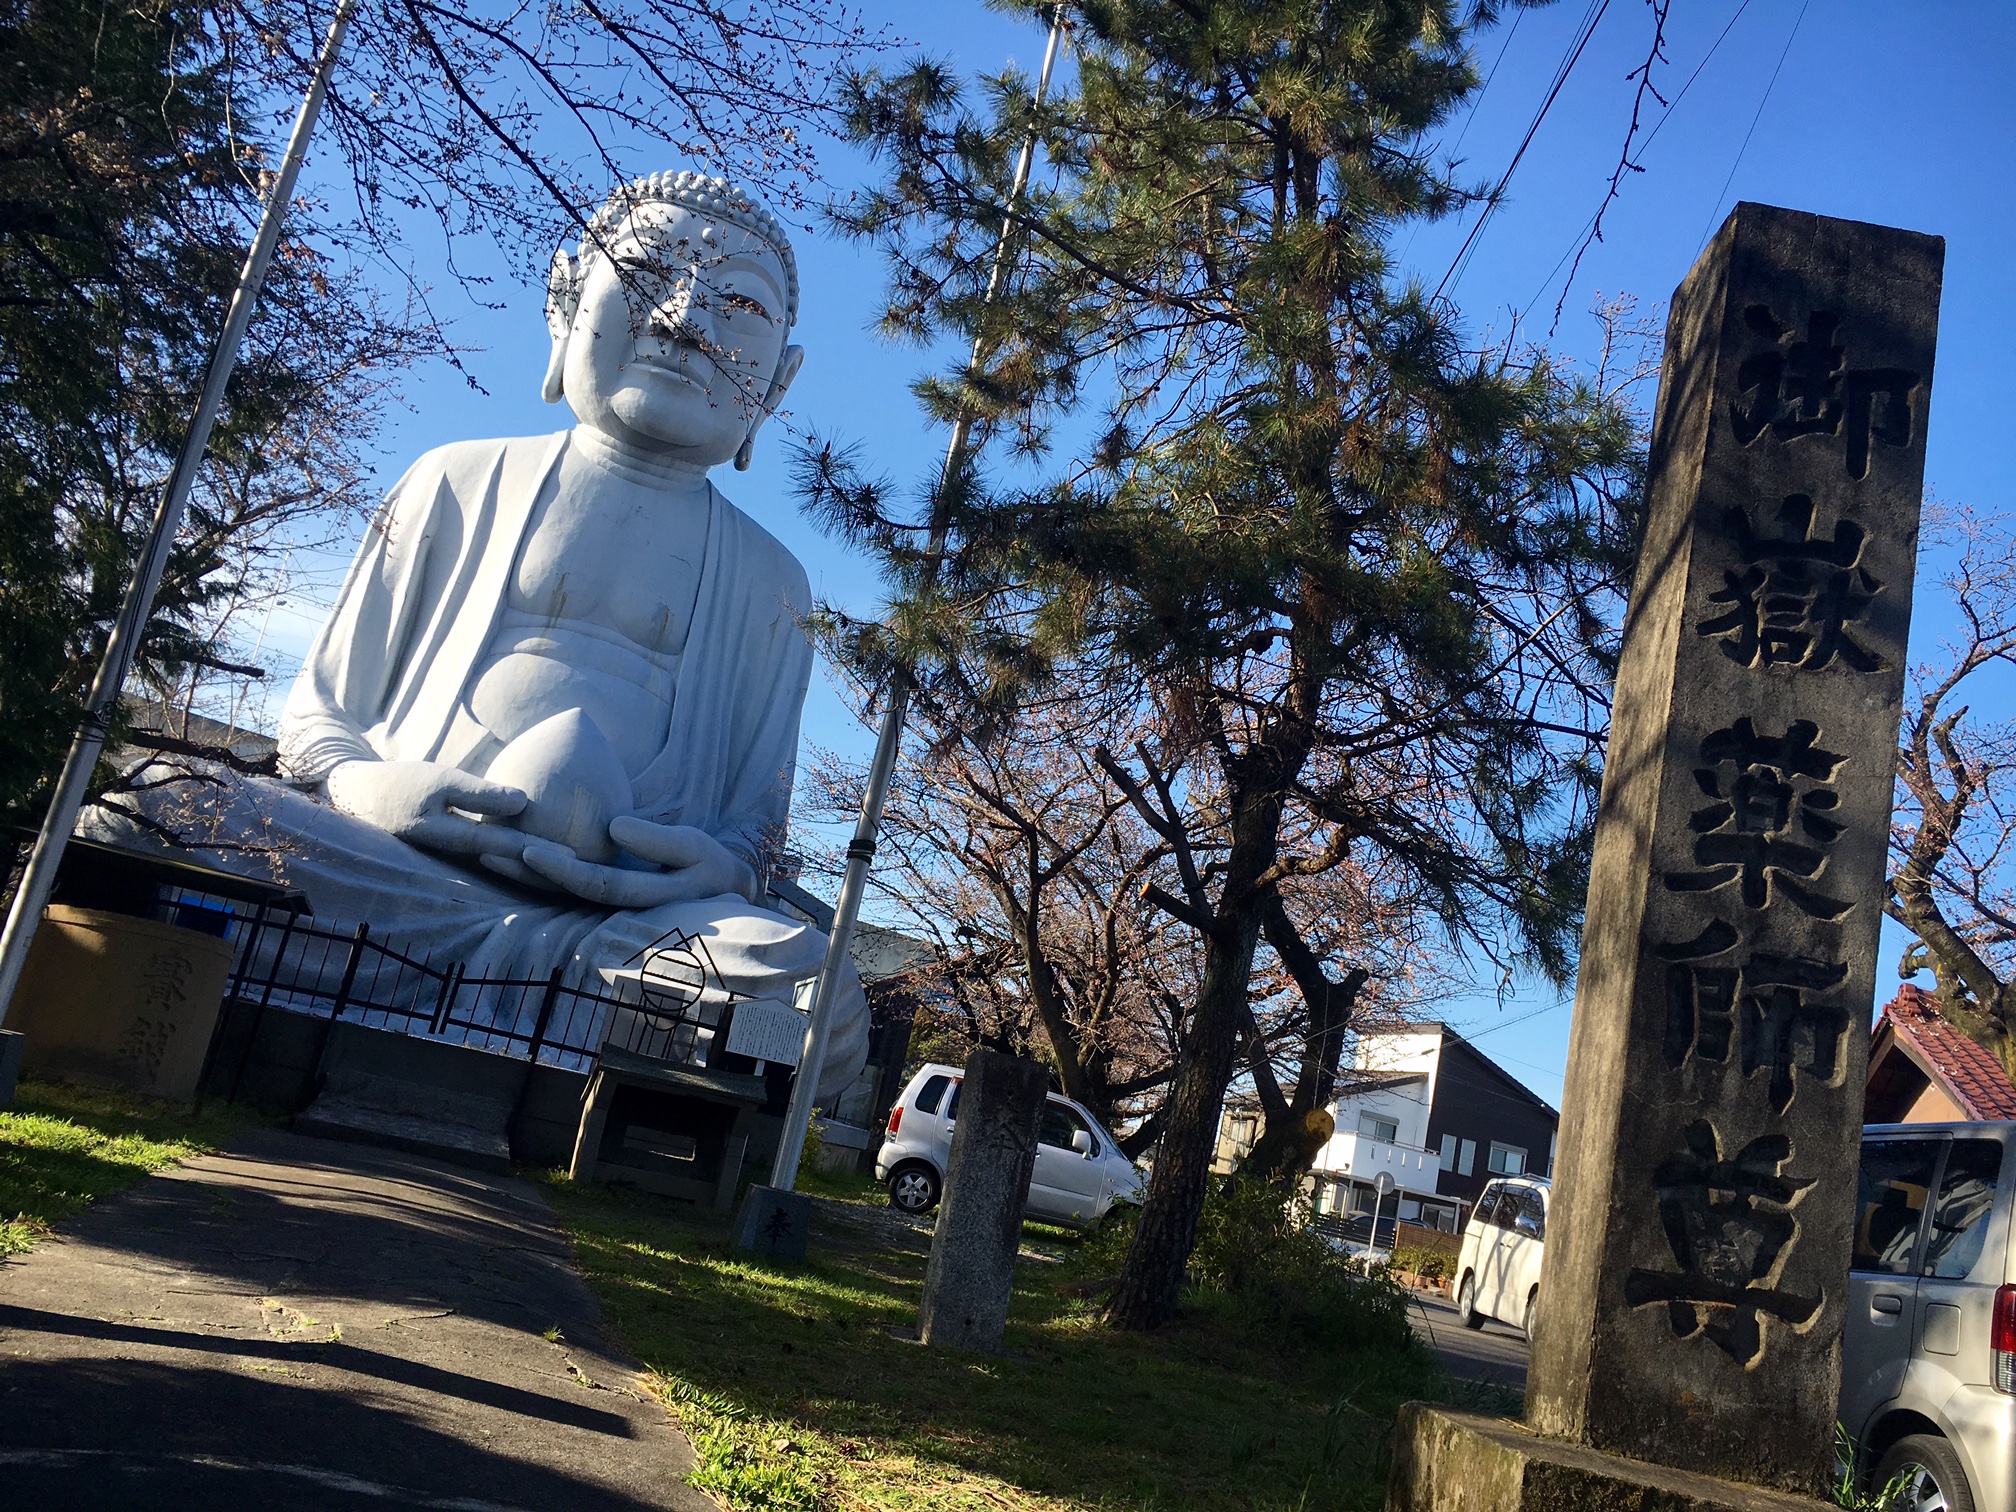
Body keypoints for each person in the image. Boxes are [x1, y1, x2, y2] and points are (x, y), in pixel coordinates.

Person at [91, 171, 868, 1100]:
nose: (685, 316)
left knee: (819, 997)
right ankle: (556, 1015)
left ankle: (477, 987)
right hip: (398, 871)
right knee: (154, 807)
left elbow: (753, 829)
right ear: (566, 302)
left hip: (615, 929)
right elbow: (319, 714)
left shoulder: (772, 580)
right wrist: (366, 782)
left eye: (738, 304)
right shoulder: (452, 480)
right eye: (648, 271)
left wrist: (720, 865)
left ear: (778, 379)